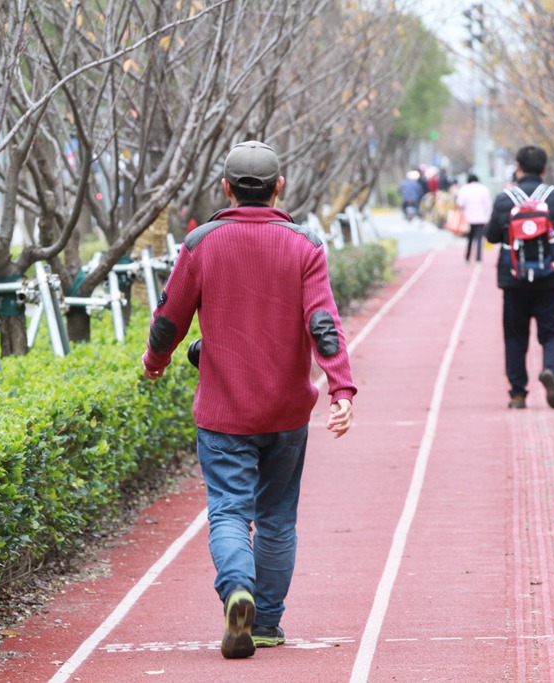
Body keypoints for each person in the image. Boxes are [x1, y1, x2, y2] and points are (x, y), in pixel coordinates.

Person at [141, 140, 356, 659]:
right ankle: (266, 622)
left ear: (226, 187)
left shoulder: (201, 242)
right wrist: (340, 387)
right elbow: (322, 321)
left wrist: (156, 360)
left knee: (230, 512)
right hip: (286, 413)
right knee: (278, 517)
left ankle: (237, 588)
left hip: (223, 413)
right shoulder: (305, 245)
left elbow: (170, 317)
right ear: (279, 186)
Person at [486, 145, 554, 409]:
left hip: (513, 280)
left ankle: (517, 393)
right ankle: (550, 370)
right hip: (550, 279)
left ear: (518, 167)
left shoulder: (505, 199)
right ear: (545, 169)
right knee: (552, 332)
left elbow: (492, 236)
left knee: (515, 335)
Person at [455, 173, 492, 263]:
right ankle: (478, 257)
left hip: (468, 217)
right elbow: (488, 204)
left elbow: (460, 203)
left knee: (470, 238)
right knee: (479, 238)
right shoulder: (484, 189)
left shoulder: (464, 189)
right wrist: (489, 216)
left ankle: (467, 256)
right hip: (481, 217)